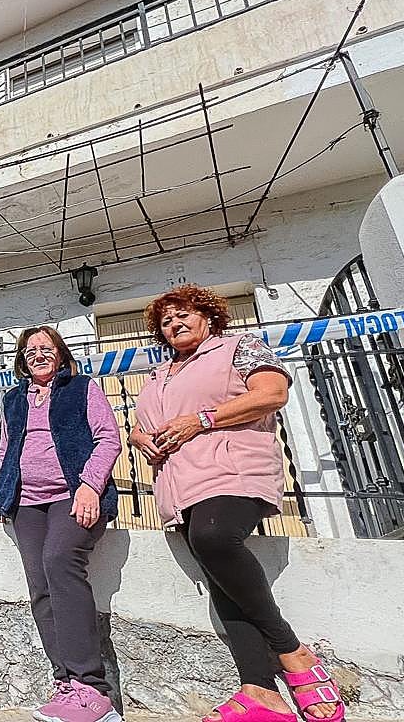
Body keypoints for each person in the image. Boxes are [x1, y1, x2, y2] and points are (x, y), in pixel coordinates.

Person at [131, 285, 345, 722]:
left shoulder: (239, 347)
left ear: (208, 316)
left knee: (214, 538)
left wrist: (201, 419)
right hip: (181, 483)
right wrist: (140, 438)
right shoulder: (159, 375)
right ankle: (258, 690)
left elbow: (272, 394)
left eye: (183, 314)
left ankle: (291, 649)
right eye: (166, 321)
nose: (174, 323)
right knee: (220, 579)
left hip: (233, 469)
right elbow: (139, 425)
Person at [0, 326, 122, 722]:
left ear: (61, 355)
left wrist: (89, 486)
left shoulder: (83, 388)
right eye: (29, 350)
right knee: (41, 587)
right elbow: (5, 448)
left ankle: (93, 690)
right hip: (28, 504)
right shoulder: (13, 399)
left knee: (61, 562)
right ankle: (65, 683)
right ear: (21, 360)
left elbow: (108, 439)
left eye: (46, 348)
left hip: (73, 493)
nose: (37, 354)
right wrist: (3, 493)